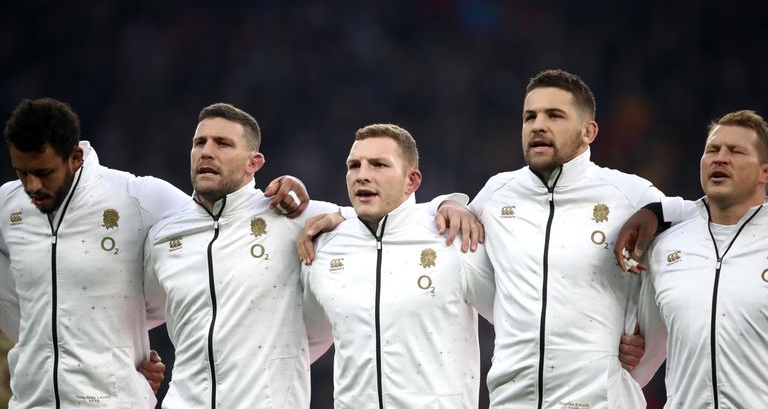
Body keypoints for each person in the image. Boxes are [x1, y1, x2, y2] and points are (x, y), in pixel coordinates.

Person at [143, 107, 483, 408]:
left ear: (254, 163)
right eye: (199, 143)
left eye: (223, 143)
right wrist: (132, 359)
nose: (207, 152)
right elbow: (124, 311)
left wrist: (445, 204)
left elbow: (379, 220)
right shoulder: (164, 237)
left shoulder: (294, 218)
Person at [0, 98, 303, 408]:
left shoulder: (138, 197)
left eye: (44, 172)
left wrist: (286, 186)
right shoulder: (8, 204)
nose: (31, 186)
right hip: (29, 401)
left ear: (75, 157)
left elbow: (216, 226)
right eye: (22, 174)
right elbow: (41, 309)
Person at [437, 69, 660, 408]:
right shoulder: (498, 192)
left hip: (600, 399)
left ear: (589, 131)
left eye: (554, 115)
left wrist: (658, 213)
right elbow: (417, 223)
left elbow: (698, 223)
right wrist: (449, 202)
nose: (538, 125)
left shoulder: (628, 194)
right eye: (530, 116)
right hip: (513, 399)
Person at [301, 123, 495, 408]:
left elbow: (516, 323)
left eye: (378, 165)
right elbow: (300, 344)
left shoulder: (453, 239)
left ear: (412, 181)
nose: (362, 175)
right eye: (354, 166)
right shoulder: (325, 248)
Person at [621, 110, 768, 407]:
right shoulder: (665, 246)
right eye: (712, 150)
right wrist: (622, 347)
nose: (720, 158)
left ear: (765, 172)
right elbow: (637, 359)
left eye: (736, 151)